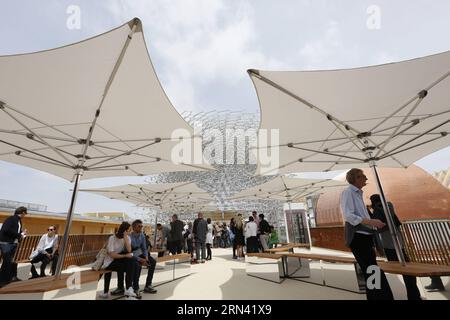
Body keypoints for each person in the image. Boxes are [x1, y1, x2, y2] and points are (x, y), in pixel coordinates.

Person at [341, 168, 394, 300]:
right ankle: (382, 297)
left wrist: (372, 223)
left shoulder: (357, 194)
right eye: (363, 176)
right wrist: (372, 221)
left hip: (364, 235)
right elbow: (349, 216)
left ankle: (375, 297)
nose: (366, 179)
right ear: (355, 178)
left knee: (371, 269)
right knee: (372, 269)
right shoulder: (348, 192)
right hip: (358, 236)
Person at [369, 194, 421, 300]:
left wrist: (372, 210)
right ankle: (413, 295)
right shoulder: (383, 208)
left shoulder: (382, 208)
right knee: (403, 269)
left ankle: (412, 295)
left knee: (403, 270)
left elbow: (383, 221)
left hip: (392, 243)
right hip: (393, 243)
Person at [98, 221, 136, 299]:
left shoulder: (127, 238)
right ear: (124, 230)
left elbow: (129, 250)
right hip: (109, 262)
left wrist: (125, 238)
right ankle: (106, 292)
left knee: (132, 260)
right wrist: (125, 255)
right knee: (127, 262)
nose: (130, 231)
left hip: (117, 261)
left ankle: (129, 288)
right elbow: (112, 255)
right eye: (129, 230)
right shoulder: (112, 238)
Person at [125, 220, 157, 297]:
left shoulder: (142, 235)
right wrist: (140, 259)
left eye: (141, 226)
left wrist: (146, 258)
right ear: (133, 227)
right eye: (139, 226)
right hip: (132, 256)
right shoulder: (129, 237)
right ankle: (136, 288)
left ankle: (148, 285)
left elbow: (144, 248)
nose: (141, 228)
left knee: (152, 262)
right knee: (138, 265)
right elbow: (129, 252)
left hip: (140, 253)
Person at [0, 206, 28, 287]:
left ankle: (8, 279)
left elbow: (13, 231)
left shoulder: (18, 221)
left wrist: (22, 234)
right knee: (6, 262)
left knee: (9, 262)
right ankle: (2, 281)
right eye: (25, 213)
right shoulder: (11, 219)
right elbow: (6, 230)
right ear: (22, 212)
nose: (25, 215)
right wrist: (19, 235)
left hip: (12, 244)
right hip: (6, 244)